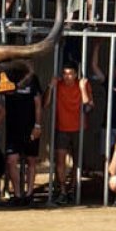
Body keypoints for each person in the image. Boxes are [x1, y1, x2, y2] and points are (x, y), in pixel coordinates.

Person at [45, 59, 93, 204]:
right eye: (65, 74)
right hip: (62, 128)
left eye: (70, 74)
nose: (67, 77)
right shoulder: (58, 85)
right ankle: (63, 191)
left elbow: (88, 108)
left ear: (76, 74)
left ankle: (73, 190)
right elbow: (45, 104)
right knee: (60, 162)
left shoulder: (83, 84)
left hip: (79, 128)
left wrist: (83, 88)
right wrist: (50, 87)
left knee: (77, 163)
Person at [2, 69, 44, 205]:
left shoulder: (33, 78)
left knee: (31, 160)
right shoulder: (7, 77)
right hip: (13, 128)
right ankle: (18, 195)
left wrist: (37, 125)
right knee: (11, 160)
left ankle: (29, 194)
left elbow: (38, 103)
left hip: (30, 127)